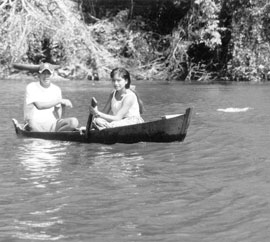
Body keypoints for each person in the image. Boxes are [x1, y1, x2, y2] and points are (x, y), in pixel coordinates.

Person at [24, 62, 79, 132]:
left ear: (52, 75)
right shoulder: (31, 87)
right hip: (34, 123)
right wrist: (60, 101)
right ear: (39, 75)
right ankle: (49, 137)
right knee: (31, 123)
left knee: (74, 122)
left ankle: (57, 135)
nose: (46, 76)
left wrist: (63, 107)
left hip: (51, 123)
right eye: (43, 73)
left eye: (48, 73)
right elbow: (39, 106)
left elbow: (58, 113)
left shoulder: (57, 89)